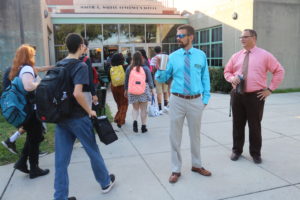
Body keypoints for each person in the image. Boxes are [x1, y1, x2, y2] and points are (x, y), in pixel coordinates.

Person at [54, 33, 115, 200]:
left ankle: (60, 196)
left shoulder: (59, 65)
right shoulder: (79, 66)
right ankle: (105, 182)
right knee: (92, 150)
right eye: (84, 46)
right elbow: (77, 93)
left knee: (61, 160)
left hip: (62, 118)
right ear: (81, 46)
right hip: (78, 118)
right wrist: (89, 110)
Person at [155, 24, 211, 183]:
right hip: (177, 100)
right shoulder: (172, 57)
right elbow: (161, 79)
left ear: (191, 37)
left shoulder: (201, 55)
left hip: (195, 100)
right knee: (174, 136)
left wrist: (205, 100)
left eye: (181, 36)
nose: (178, 38)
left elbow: (205, 78)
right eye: (177, 36)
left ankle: (197, 164)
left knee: (195, 136)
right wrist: (159, 69)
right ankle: (175, 169)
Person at [224, 29, 285, 164]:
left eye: (245, 37)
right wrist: (232, 78)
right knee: (237, 125)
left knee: (255, 126)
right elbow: (227, 71)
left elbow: (279, 71)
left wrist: (270, 89)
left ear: (254, 38)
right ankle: (236, 151)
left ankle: (255, 153)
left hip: (255, 96)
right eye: (241, 37)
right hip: (237, 95)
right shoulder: (236, 56)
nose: (242, 39)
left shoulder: (265, 55)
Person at [9, 44, 50, 179]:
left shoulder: (19, 68)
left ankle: (21, 163)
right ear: (28, 55)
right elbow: (28, 86)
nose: (34, 56)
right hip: (31, 110)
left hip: (25, 110)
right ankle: (34, 169)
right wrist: (39, 83)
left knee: (31, 137)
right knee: (35, 138)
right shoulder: (26, 68)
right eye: (33, 54)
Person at [124, 51, 154, 133]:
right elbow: (150, 81)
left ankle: (134, 122)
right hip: (143, 90)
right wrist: (152, 89)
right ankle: (143, 127)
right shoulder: (146, 68)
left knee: (135, 108)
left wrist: (126, 90)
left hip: (132, 90)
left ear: (132, 59)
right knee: (143, 109)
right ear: (142, 59)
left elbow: (126, 81)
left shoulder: (129, 68)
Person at [108, 53, 128, 128]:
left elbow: (109, 78)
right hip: (123, 87)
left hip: (114, 86)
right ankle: (120, 120)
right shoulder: (124, 67)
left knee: (119, 103)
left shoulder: (111, 68)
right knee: (124, 104)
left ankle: (118, 118)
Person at [79, 39, 98, 108]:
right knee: (87, 114)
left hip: (73, 92)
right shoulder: (86, 60)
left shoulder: (70, 60)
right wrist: (94, 94)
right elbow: (90, 78)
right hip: (85, 92)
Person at [150, 46, 169, 113]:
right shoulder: (166, 57)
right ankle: (166, 106)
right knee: (165, 91)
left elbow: (153, 69)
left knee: (159, 92)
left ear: (155, 51)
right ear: (161, 50)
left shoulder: (153, 58)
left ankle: (160, 109)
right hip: (166, 76)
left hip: (158, 77)